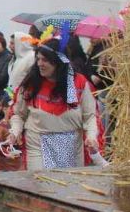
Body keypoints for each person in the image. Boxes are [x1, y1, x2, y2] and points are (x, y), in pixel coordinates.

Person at [8, 39, 99, 170]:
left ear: (58, 61)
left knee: (68, 182)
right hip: (38, 144)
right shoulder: (30, 84)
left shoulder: (79, 82)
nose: (39, 64)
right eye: (38, 59)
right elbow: (18, 114)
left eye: (45, 60)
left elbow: (90, 116)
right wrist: (15, 132)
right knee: (41, 182)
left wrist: (91, 137)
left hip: (71, 145)